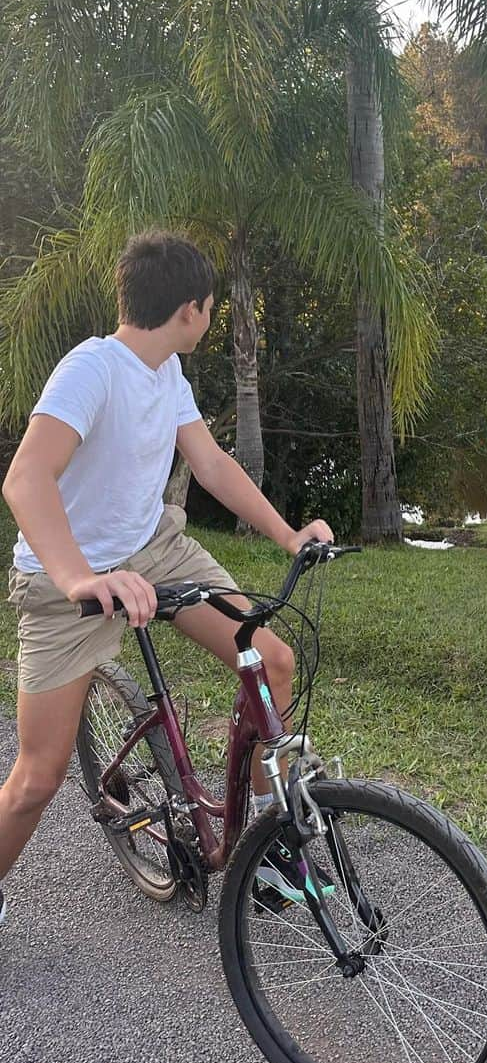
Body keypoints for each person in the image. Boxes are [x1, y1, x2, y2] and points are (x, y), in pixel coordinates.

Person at [0, 231, 334, 924]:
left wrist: (288, 534)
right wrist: (78, 579)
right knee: (38, 778)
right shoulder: (92, 369)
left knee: (269, 657)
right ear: (192, 311)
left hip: (154, 550)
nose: (208, 320)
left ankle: (268, 845)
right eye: (210, 309)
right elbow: (26, 478)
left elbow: (210, 465)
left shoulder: (166, 373)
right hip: (68, 584)